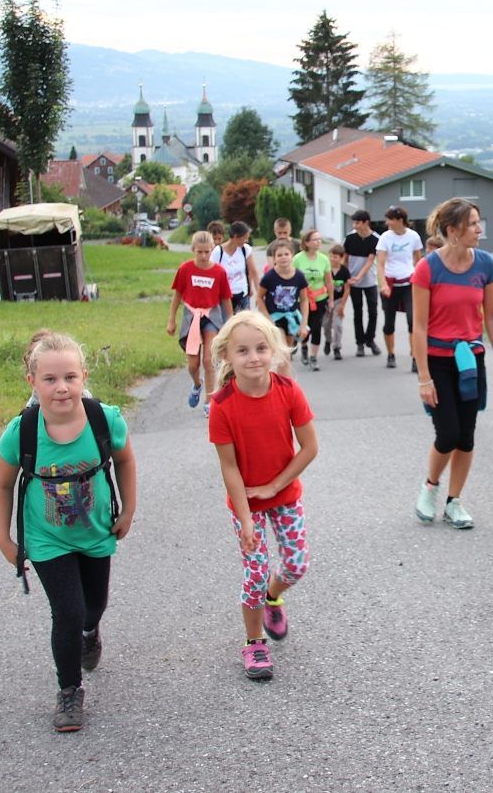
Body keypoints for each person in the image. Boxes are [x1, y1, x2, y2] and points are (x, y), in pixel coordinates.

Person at [0, 331, 137, 732]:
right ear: (32, 383)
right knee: (67, 612)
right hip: (46, 538)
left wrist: (129, 510)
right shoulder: (22, 431)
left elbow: (124, 461)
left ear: (83, 376)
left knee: (94, 606)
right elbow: (2, 485)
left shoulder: (103, 419)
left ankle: (92, 631)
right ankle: (69, 691)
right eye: (50, 379)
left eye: (70, 377)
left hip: (95, 532)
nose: (61, 388)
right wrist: (5, 539)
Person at [208, 312, 319, 680]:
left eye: (260, 348)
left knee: (296, 564)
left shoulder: (288, 391)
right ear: (227, 355)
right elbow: (229, 469)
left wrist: (274, 486)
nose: (253, 357)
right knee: (254, 573)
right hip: (247, 502)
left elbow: (309, 447)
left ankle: (274, 597)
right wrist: (244, 518)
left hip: (284, 494)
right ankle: (254, 643)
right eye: (243, 351)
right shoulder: (222, 406)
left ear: (273, 350)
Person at [410, 199, 493, 530]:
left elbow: (492, 316)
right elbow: (419, 327)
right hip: (438, 362)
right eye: (473, 224)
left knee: (466, 436)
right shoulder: (427, 269)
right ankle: (430, 487)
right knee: (447, 432)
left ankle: (454, 501)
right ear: (453, 231)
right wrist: (423, 377)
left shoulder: (484, 265)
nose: (480, 230)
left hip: (471, 360)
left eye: (480, 222)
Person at [168, 231, 233, 416]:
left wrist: (231, 322)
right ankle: (197, 384)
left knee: (209, 360)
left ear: (212, 249)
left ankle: (209, 400)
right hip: (191, 316)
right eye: (200, 252)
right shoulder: (186, 269)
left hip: (211, 316)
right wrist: (171, 320)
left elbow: (226, 299)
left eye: (207, 252)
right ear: (193, 250)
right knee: (193, 364)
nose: (204, 256)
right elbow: (177, 295)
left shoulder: (219, 271)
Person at [376, 206, 424, 370]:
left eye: (390, 219)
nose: (387, 222)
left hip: (408, 284)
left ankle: (415, 357)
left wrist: (420, 283)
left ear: (399, 220)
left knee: (413, 321)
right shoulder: (385, 238)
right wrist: (383, 284)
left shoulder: (414, 236)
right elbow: (380, 264)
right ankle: (391, 354)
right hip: (390, 283)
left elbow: (419, 261)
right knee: (389, 323)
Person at [258, 240, 309, 356]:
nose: (283, 258)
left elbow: (304, 300)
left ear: (292, 255)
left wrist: (303, 324)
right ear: (274, 258)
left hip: (291, 316)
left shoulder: (299, 276)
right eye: (279, 255)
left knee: (287, 352)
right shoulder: (269, 277)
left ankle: (283, 374)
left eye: (286, 254)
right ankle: (280, 373)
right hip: (275, 317)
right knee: (282, 351)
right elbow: (259, 298)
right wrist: (268, 319)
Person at [292, 229, 333, 371]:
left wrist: (331, 300)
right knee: (304, 327)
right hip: (302, 299)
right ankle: (304, 347)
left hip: (319, 298)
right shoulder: (297, 259)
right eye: (315, 239)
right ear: (307, 242)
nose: (318, 242)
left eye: (320, 239)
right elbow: (291, 279)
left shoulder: (324, 259)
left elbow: (329, 281)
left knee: (316, 328)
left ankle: (314, 357)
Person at [343, 210, 381, 357]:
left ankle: (370, 340)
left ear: (366, 222)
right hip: (353, 282)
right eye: (354, 222)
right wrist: (347, 276)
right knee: (357, 313)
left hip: (370, 281)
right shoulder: (350, 238)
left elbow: (370, 261)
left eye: (358, 222)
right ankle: (359, 343)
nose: (355, 225)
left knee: (373, 312)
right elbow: (344, 258)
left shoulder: (375, 239)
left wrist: (359, 276)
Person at [211, 221, 260, 313]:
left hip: (242, 294)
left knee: (243, 324)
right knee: (227, 324)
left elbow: (254, 273)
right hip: (224, 297)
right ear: (235, 237)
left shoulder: (245, 249)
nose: (247, 241)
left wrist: (259, 295)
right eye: (245, 238)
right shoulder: (218, 252)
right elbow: (211, 274)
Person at [324, 243, 350, 360]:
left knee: (337, 324)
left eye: (336, 257)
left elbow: (347, 289)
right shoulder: (326, 269)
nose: (333, 259)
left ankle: (337, 347)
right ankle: (328, 340)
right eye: (331, 256)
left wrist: (342, 305)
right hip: (326, 300)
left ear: (341, 258)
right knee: (326, 324)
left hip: (338, 300)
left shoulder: (344, 271)